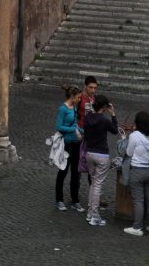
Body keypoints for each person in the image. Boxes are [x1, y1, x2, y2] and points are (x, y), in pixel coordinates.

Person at [123, 110, 149, 237]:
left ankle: (137, 227)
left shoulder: (135, 136)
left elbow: (128, 153)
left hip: (137, 171)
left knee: (138, 200)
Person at [83, 93, 118, 226]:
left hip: (89, 153)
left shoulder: (87, 118)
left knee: (93, 183)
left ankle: (90, 213)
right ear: (104, 106)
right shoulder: (104, 120)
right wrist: (113, 114)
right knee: (97, 185)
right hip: (102, 155)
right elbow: (115, 130)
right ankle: (95, 216)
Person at [55, 84, 85, 212]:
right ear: (72, 97)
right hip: (66, 144)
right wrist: (73, 129)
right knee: (63, 172)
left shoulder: (73, 108)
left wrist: (82, 130)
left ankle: (75, 200)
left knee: (75, 173)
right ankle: (59, 200)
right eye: (78, 97)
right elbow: (59, 127)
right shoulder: (63, 109)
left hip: (76, 143)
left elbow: (75, 124)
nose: (80, 100)